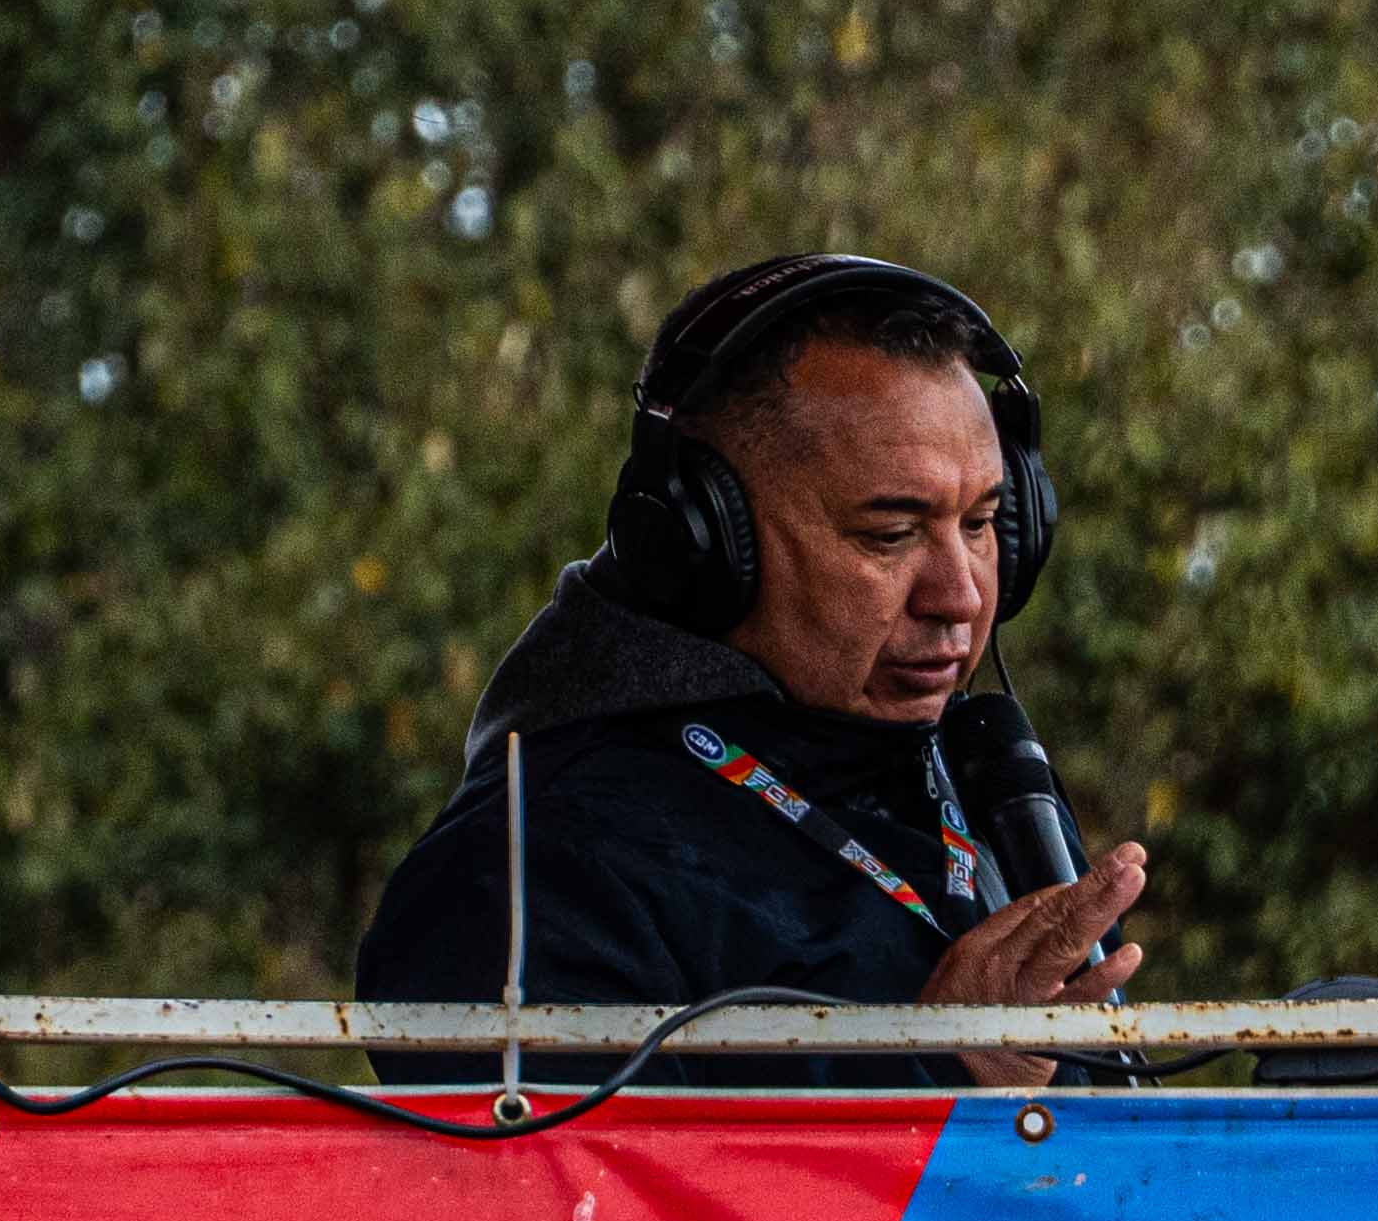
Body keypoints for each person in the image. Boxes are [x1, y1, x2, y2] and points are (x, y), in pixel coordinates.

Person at [358, 255, 1153, 1088]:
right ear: (702, 538)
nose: (961, 596)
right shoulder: (520, 872)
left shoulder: (986, 786)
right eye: (889, 535)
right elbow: (581, 1175)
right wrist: (938, 1071)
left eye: (983, 523)